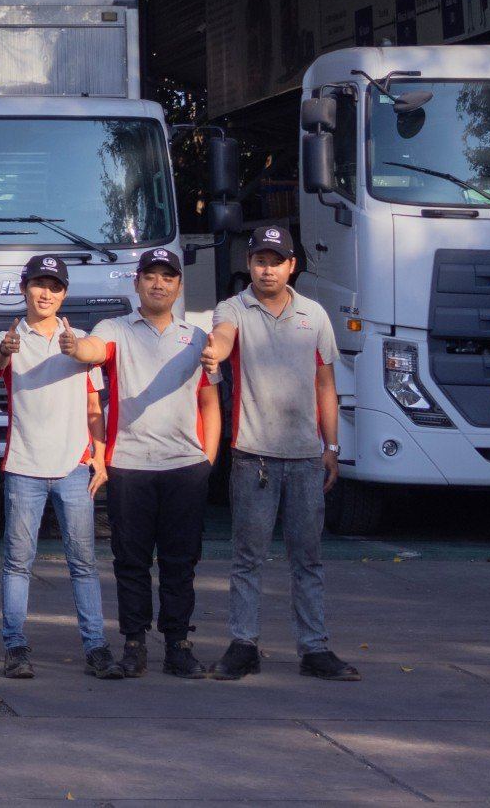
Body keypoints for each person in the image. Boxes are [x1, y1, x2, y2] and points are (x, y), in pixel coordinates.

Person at [64, 246, 232, 679]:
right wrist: (74, 345)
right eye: (151, 276)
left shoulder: (197, 338)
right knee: (131, 561)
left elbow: (210, 402)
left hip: (185, 467)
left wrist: (207, 460)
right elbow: (93, 350)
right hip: (130, 465)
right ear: (137, 282)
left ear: (179, 285)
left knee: (181, 563)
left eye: (167, 277)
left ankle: (178, 645)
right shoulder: (115, 328)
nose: (159, 284)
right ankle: (134, 644)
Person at [212, 225, 355, 683]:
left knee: (307, 558)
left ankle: (315, 649)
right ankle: (243, 645)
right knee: (247, 558)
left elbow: (326, 384)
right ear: (249, 264)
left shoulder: (315, 314)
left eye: (276, 261)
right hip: (253, 455)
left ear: (292, 265)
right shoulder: (233, 308)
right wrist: (213, 352)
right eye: (260, 261)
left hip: (307, 457)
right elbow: (223, 338)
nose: (267, 270)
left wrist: (332, 447)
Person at [0, 252, 111, 679]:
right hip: (24, 467)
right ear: (24, 289)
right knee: (17, 563)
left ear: (64, 295)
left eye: (55, 287)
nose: (46, 293)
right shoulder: (8, 336)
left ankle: (96, 647)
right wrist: (5, 350)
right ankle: (15, 646)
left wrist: (99, 456)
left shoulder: (80, 339)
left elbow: (94, 406)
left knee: (84, 563)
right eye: (39, 285)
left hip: (74, 468)